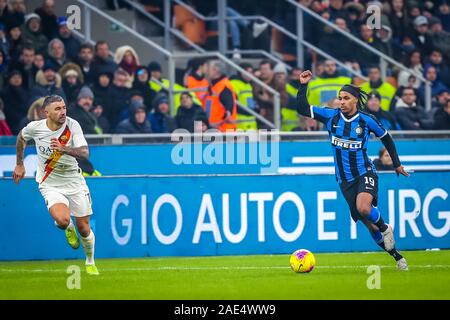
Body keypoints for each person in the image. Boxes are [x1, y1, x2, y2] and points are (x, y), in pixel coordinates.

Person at [296, 70, 410, 270]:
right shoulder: (330, 116)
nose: (341, 102)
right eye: (339, 98)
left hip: (364, 172)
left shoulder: (367, 120)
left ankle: (385, 228)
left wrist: (396, 163)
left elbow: (387, 138)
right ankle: (397, 256)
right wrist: (304, 85)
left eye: (346, 98)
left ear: (355, 100)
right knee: (367, 223)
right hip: (344, 180)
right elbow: (302, 108)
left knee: (364, 208)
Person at [12, 94, 99, 275]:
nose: (63, 112)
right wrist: (19, 164)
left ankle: (90, 261)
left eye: (64, 108)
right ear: (47, 113)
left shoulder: (72, 125)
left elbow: (85, 153)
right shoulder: (35, 128)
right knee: (62, 219)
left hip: (74, 182)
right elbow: (21, 138)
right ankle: (67, 228)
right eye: (58, 109)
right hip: (49, 183)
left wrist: (64, 148)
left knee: (84, 228)